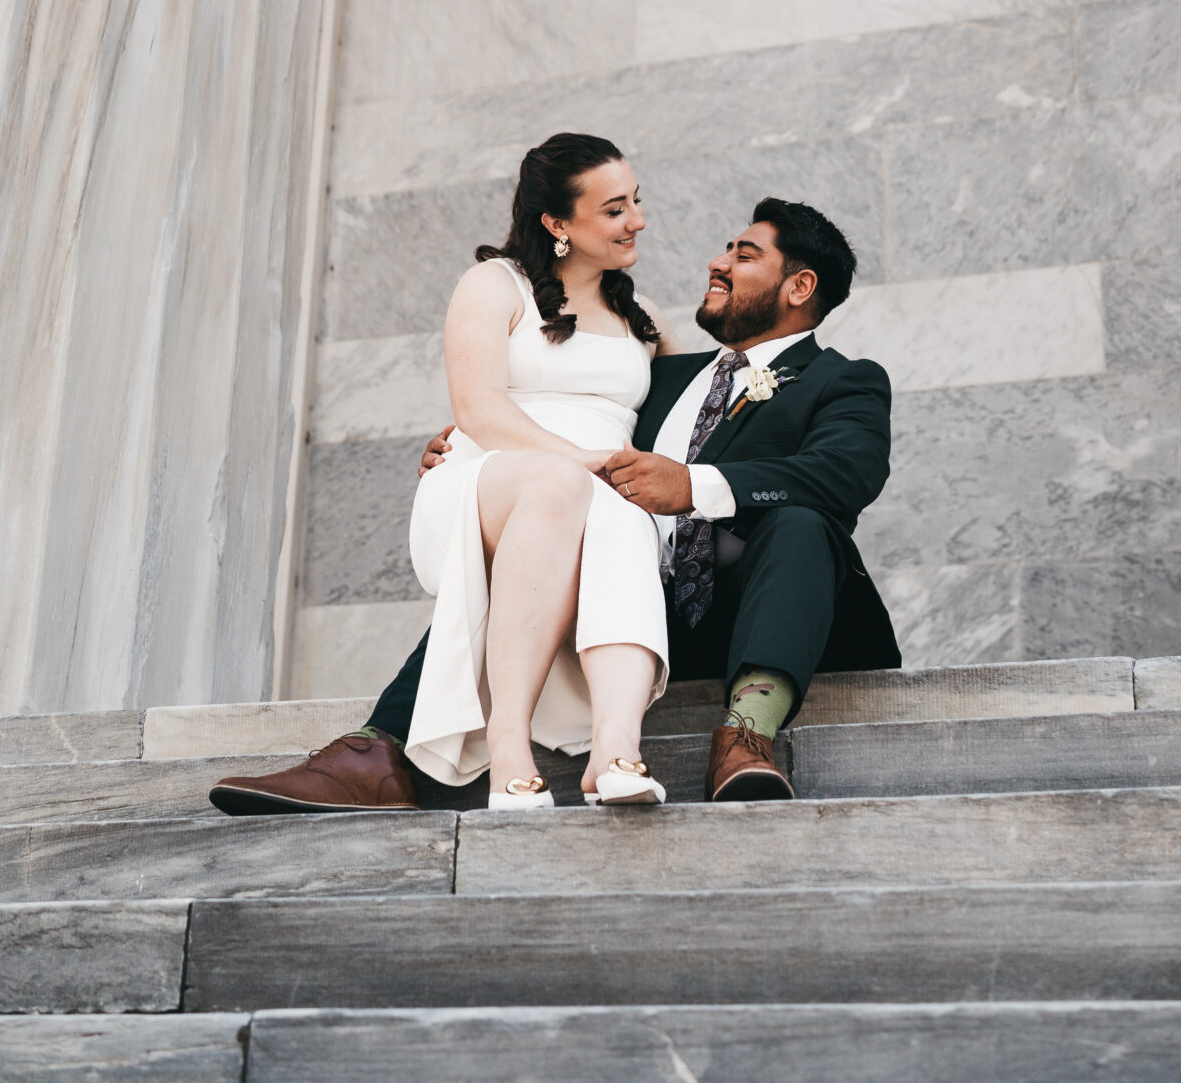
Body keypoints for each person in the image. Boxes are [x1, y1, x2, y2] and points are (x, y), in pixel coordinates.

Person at [211, 194, 898, 815]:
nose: (716, 263)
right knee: (540, 533)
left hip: (757, 614)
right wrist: (474, 457)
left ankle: (747, 734)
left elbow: (842, 475)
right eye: (725, 248)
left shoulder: (845, 381)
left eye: (743, 255)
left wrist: (691, 486)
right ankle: (377, 753)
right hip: (635, 611)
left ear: (798, 285)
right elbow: (568, 438)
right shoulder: (655, 377)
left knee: (803, 520)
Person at [215, 133, 678, 815]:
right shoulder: (494, 285)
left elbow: (693, 422)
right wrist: (581, 461)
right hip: (489, 478)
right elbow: (479, 409)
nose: (636, 219)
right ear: (557, 223)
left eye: (636, 201)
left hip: (599, 498)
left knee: (625, 518)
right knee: (563, 486)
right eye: (613, 209)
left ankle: (615, 750)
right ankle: (509, 753)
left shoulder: (645, 323)